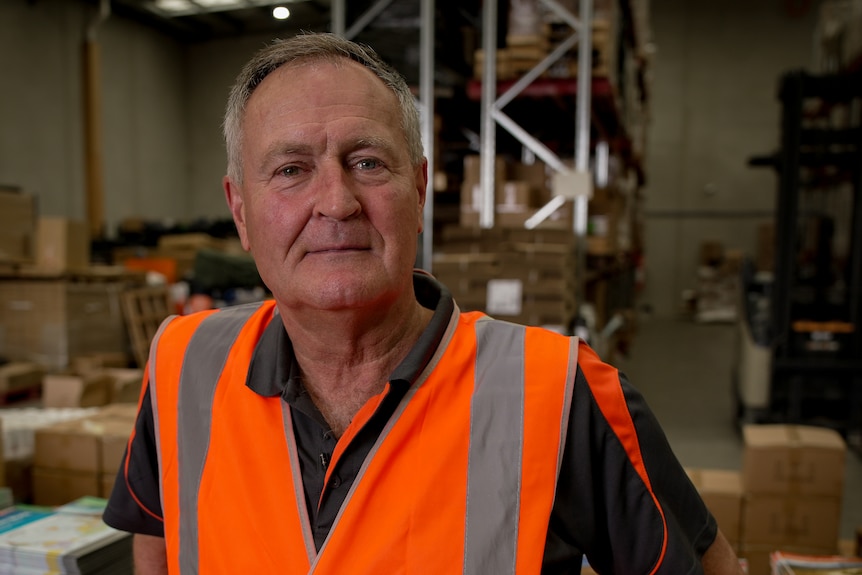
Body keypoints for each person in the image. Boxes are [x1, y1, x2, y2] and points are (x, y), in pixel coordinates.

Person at [103, 32, 743, 574]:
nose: (336, 202)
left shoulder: (560, 394)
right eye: (292, 169)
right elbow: (158, 531)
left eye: (367, 162)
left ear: (419, 188)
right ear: (240, 211)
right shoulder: (183, 364)